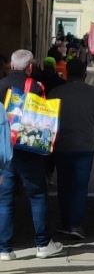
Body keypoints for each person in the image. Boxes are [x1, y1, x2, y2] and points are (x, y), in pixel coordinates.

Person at [0, 49, 63, 260]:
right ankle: (43, 244)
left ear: (11, 65)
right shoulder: (36, 87)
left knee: (5, 199)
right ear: (30, 67)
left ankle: (5, 249)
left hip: (5, 150)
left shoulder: (0, 85)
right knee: (37, 195)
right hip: (28, 148)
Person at [48, 58, 94, 239]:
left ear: (66, 72)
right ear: (85, 74)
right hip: (84, 146)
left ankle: (66, 222)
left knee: (64, 185)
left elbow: (46, 119)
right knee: (80, 186)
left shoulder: (55, 92)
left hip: (61, 146)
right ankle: (75, 224)